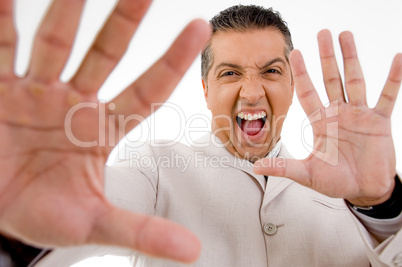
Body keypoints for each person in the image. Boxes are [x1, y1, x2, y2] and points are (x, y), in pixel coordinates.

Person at [0, 1, 401, 267]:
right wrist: (24, 212)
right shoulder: (155, 167)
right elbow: (91, 206)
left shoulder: (348, 190)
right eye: (230, 73)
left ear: (293, 85)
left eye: (271, 71)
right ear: (206, 91)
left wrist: (381, 205)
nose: (251, 91)